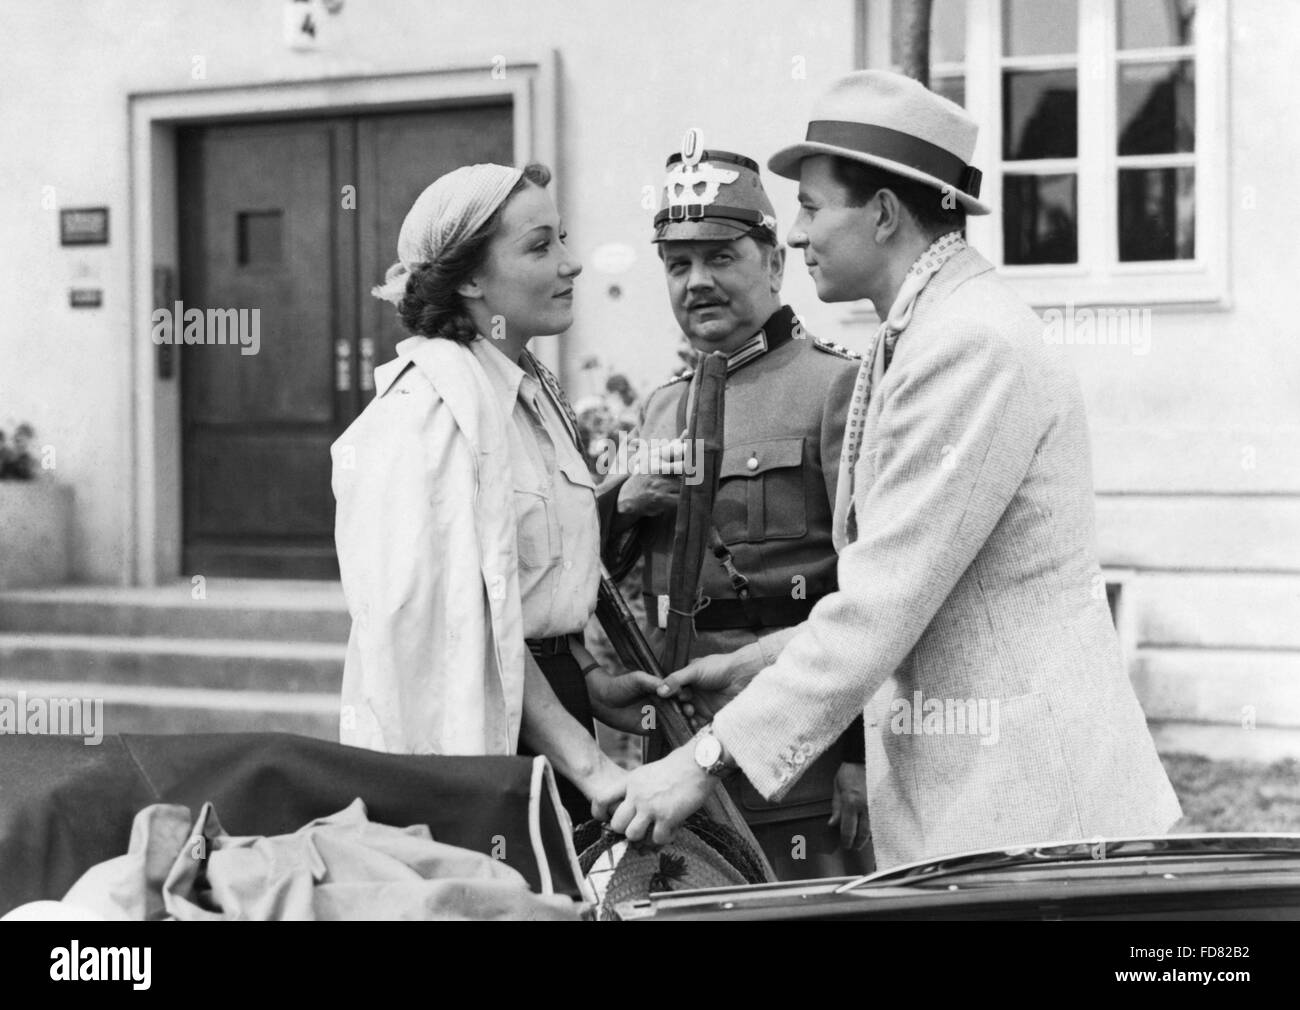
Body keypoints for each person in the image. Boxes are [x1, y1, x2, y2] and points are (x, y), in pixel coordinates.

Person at [603, 71, 1183, 869]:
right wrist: (752, 662)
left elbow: (883, 604)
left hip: (1034, 810)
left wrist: (705, 759)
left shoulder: (966, 345)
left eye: (810, 207)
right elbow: (899, 586)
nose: (798, 236)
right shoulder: (925, 330)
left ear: (881, 214)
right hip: (986, 806)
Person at [331, 163, 658, 827]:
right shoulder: (431, 415)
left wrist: (590, 686)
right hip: (487, 741)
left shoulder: (523, 396)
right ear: (472, 278)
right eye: (540, 246)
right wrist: (591, 767)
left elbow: (523, 594)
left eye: (563, 238)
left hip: (547, 721)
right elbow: (462, 635)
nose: (572, 265)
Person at [597, 143, 870, 878]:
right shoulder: (661, 406)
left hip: (800, 760)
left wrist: (859, 757)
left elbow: (875, 593)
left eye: (720, 257)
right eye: (677, 265)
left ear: (774, 263)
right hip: (674, 752)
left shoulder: (832, 389)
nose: (697, 282)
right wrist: (626, 504)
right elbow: (592, 567)